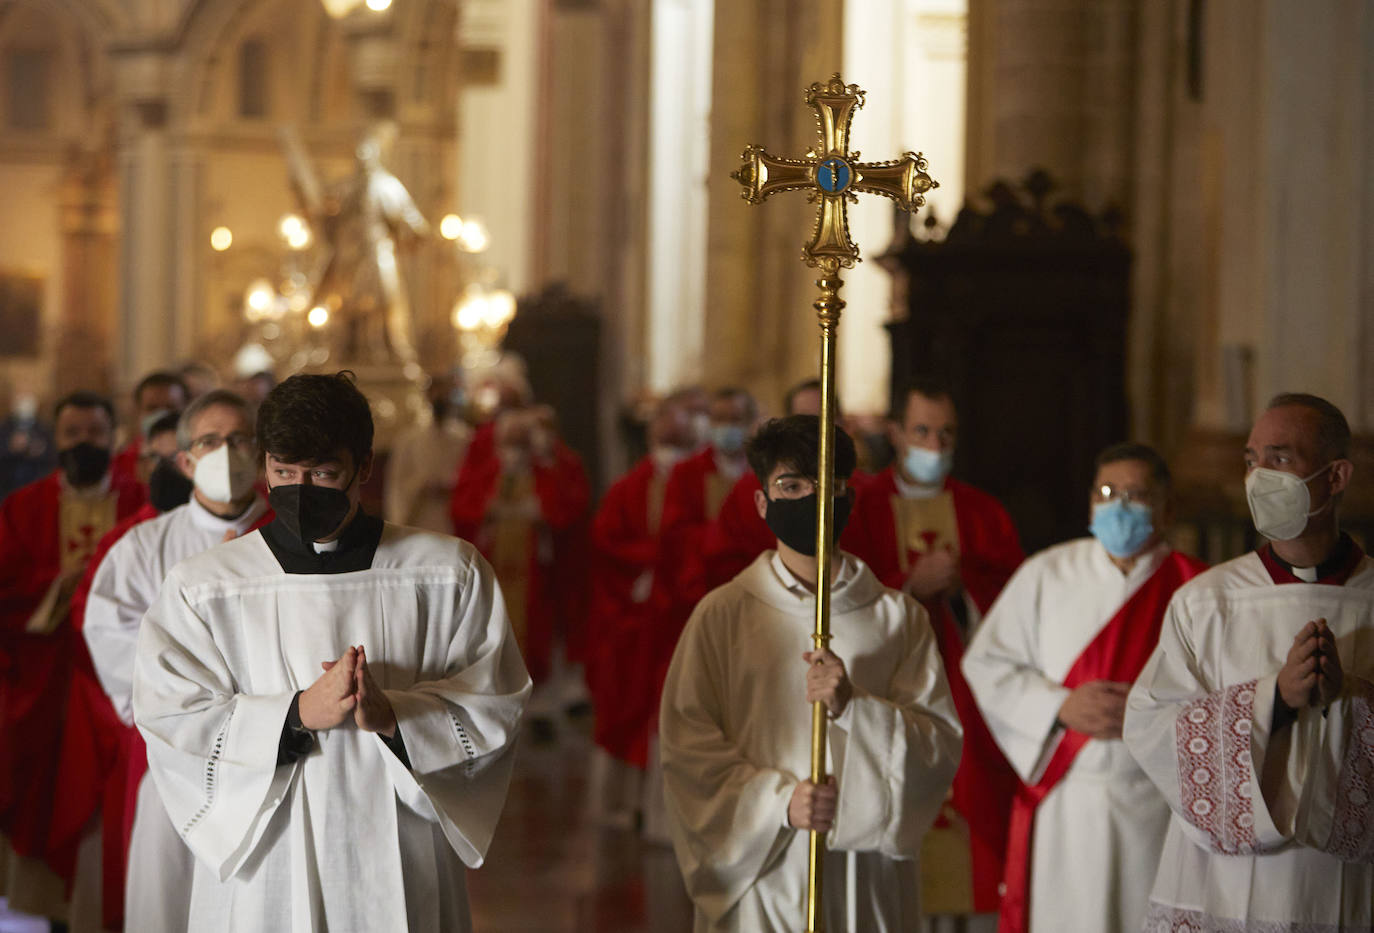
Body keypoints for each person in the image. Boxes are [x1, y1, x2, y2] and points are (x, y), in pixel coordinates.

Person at [132, 372, 530, 931]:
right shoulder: (207, 586)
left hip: (402, 841)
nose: (300, 489)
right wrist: (295, 715)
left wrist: (396, 716)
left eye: (323, 472)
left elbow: (495, 704)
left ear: (364, 467)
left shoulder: (445, 573)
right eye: (283, 472)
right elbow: (172, 714)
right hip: (268, 858)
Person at [660, 415, 962, 930]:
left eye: (829, 485)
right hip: (764, 870)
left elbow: (937, 749)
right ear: (762, 503)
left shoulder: (897, 618)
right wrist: (779, 802)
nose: (813, 499)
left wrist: (855, 708)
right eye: (791, 485)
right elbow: (688, 746)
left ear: (849, 497)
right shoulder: (723, 615)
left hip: (863, 877)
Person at [1124, 393, 1374, 930]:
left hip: (1347, 888)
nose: (1259, 475)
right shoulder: (1206, 600)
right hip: (1222, 888)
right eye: (1251, 459)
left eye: (1280, 459)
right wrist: (1274, 700)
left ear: (1335, 477)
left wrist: (1351, 699)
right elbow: (1149, 725)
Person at [961, 443, 1208, 932]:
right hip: (1068, 801)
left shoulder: (1197, 588)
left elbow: (1221, 698)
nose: (1119, 505)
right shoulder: (1046, 574)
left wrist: (1153, 719)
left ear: (1168, 509)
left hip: (1162, 809)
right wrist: (1058, 706)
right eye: (1107, 492)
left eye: (1136, 495)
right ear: (1090, 501)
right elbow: (986, 661)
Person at [80, 391, 271, 932]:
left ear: (259, 454)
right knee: (169, 894)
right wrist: (200, 698)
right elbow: (113, 637)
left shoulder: (295, 538)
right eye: (209, 441)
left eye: (238, 440)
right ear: (186, 461)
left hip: (273, 751)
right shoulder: (143, 547)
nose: (225, 453)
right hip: (173, 753)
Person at [840, 378, 1023, 919]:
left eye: (946, 434)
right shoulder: (861, 507)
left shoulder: (983, 513)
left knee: (973, 819)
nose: (935, 446)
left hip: (966, 698)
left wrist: (966, 586)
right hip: (893, 696)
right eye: (922, 431)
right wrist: (906, 583)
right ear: (895, 433)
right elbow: (845, 596)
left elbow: (1015, 607)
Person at [0, 391, 145, 927]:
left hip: (113, 688)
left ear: (114, 437)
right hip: (46, 683)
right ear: (54, 440)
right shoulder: (24, 507)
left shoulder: (139, 504)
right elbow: (6, 588)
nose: (83, 444)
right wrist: (58, 587)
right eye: (72, 434)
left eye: (94, 433)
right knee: (46, 793)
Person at [585, 392, 696, 822]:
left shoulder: (700, 479)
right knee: (628, 703)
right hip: (638, 614)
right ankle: (626, 803)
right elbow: (607, 540)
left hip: (681, 610)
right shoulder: (631, 486)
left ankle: (666, 811)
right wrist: (651, 562)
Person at [449, 401, 590, 692]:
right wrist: (487, 512)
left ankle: (537, 703)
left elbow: (565, 510)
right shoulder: (486, 472)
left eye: (520, 440)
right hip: (493, 567)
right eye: (509, 440)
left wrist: (540, 513)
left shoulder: (545, 471)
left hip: (535, 574)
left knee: (536, 632)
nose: (515, 447)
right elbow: (463, 508)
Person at [384, 372, 471, 533]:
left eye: (443, 391)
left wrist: (451, 485)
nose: (439, 396)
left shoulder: (464, 437)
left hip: (451, 517)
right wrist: (421, 485)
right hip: (419, 516)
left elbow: (472, 476)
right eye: (434, 391)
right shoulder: (408, 439)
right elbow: (397, 483)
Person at [109, 371, 190, 485]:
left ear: (186, 410)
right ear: (138, 412)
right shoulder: (119, 465)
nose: (161, 415)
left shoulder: (197, 461)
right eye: (152, 408)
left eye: (170, 407)